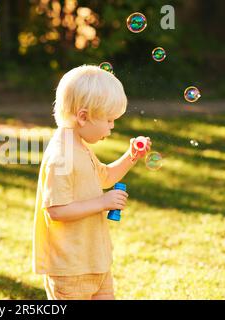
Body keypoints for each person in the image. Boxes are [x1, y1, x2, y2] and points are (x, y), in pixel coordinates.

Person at [32, 65, 151, 300]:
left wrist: (131, 156)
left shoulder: (78, 146)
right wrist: (102, 202)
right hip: (70, 270)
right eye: (108, 119)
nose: (112, 126)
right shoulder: (62, 155)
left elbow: (105, 176)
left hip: (95, 261)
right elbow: (56, 210)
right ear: (83, 116)